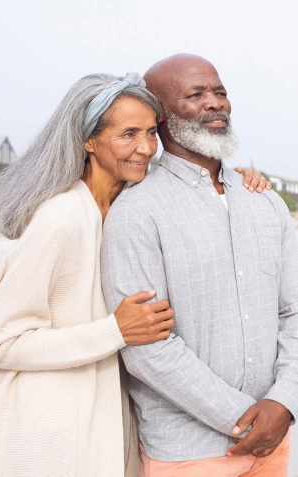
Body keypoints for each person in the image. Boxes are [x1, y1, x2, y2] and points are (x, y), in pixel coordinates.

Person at [0, 70, 268, 477]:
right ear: (88, 140)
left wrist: (236, 182)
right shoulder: (60, 219)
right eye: (127, 134)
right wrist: (115, 330)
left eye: (151, 132)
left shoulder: (126, 206)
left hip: (107, 420)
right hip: (50, 432)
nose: (146, 148)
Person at [101, 54, 298, 477]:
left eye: (220, 92)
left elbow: (293, 313)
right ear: (161, 113)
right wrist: (245, 417)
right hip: (187, 452)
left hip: (274, 443)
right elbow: (147, 347)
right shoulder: (136, 212)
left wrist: (284, 402)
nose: (215, 103)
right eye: (196, 94)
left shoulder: (265, 202)